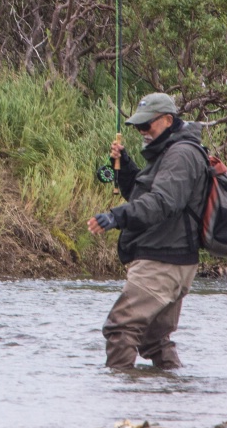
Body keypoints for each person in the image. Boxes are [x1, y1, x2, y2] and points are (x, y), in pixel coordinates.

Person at [87, 92, 207, 371]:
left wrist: (115, 216)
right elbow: (145, 195)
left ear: (167, 119)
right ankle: (166, 395)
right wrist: (126, 167)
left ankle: (120, 400)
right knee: (154, 338)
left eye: (146, 126)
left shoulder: (182, 154)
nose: (142, 132)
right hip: (170, 259)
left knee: (120, 328)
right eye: (138, 127)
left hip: (163, 261)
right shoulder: (170, 151)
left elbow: (161, 203)